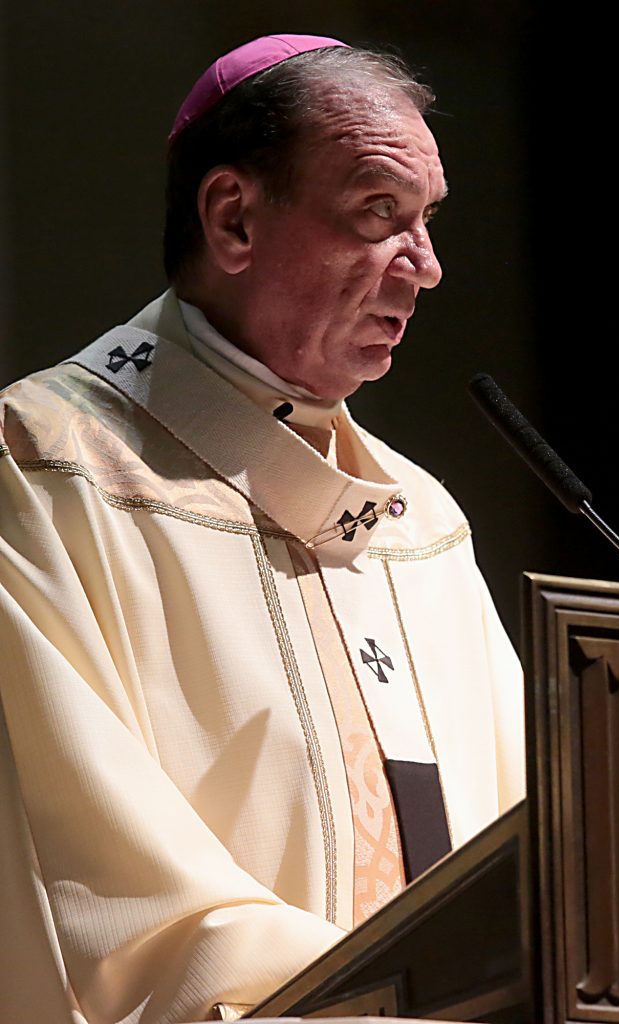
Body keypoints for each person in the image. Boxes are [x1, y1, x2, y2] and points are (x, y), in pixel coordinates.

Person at [0, 34, 524, 1024]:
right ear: (233, 219)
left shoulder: (422, 521)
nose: (427, 267)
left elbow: (530, 865)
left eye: (427, 221)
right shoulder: (43, 470)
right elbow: (104, 892)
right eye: (380, 214)